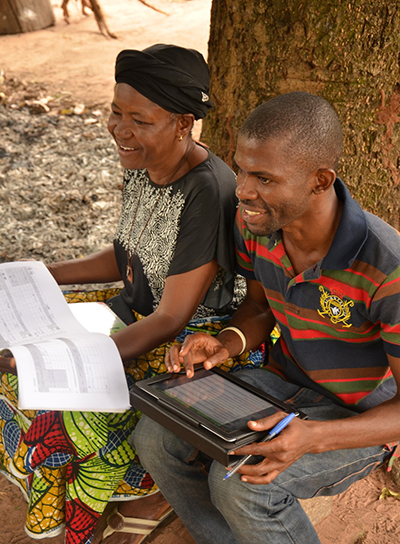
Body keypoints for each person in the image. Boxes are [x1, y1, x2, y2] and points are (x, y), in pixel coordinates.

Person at [0, 44, 263, 544]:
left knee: (57, 402)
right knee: (10, 343)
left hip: (190, 341)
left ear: (183, 124)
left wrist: (73, 355)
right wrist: (35, 272)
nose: (120, 129)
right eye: (116, 112)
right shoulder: (144, 162)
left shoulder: (207, 190)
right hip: (135, 312)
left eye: (139, 119)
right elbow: (126, 254)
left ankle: (145, 493)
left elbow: (170, 318)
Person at [132, 91, 400, 544]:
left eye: (264, 177)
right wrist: (228, 342)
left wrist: (312, 438)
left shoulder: (386, 265)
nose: (242, 189)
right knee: (154, 437)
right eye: (240, 168)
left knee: (239, 485)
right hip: (280, 385)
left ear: (320, 180)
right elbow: (258, 307)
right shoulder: (256, 223)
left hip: (358, 418)